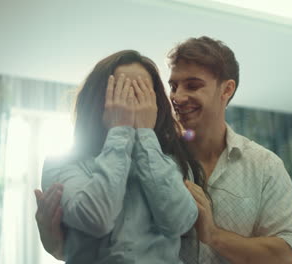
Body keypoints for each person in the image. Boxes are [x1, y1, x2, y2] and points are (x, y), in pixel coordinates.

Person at [36, 36, 292, 264]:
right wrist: (59, 244)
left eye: (193, 85)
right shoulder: (150, 154)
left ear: (227, 90)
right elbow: (112, 235)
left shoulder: (264, 165)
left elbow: (287, 253)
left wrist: (213, 235)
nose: (176, 96)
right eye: (172, 86)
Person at [36, 50, 207, 264]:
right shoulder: (61, 162)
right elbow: (96, 218)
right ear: (97, 98)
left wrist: (146, 135)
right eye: (120, 91)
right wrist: (120, 130)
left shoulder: (174, 160)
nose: (130, 102)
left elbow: (178, 222)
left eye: (142, 92)